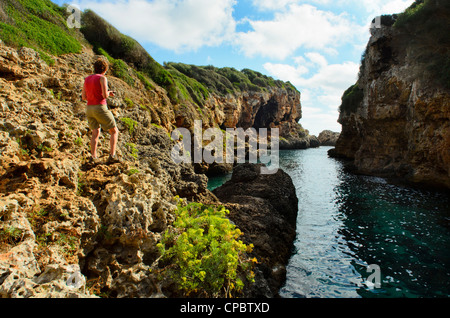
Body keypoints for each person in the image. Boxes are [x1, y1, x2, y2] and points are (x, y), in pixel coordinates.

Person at [82, 58, 120, 164]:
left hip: (89, 108)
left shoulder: (87, 79)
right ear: (105, 69)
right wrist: (109, 92)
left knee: (95, 132)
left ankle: (93, 157)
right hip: (100, 107)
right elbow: (104, 95)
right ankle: (112, 156)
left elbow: (84, 97)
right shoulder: (102, 78)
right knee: (114, 131)